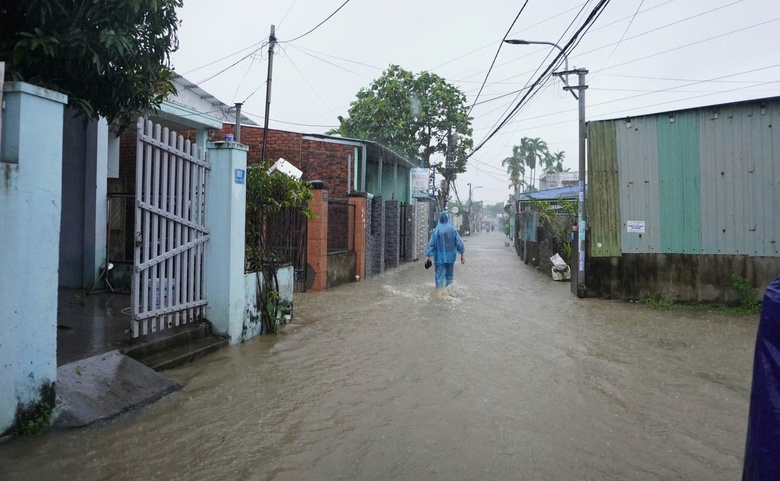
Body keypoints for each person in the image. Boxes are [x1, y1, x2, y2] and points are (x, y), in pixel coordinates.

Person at [425, 211, 465, 289]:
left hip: (439, 257)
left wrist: (428, 256)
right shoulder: (452, 229)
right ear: (447, 219)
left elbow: (431, 243)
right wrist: (462, 254)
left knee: (438, 275)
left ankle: (439, 292)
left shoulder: (437, 229)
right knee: (449, 275)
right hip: (450, 256)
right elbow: (459, 242)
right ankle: (448, 290)